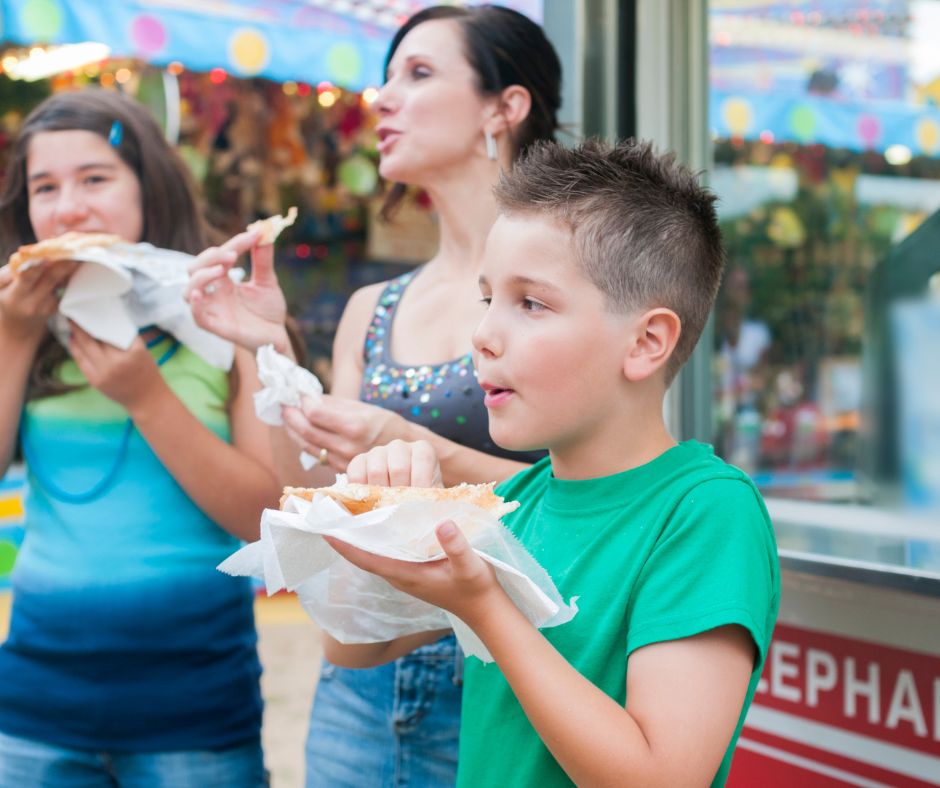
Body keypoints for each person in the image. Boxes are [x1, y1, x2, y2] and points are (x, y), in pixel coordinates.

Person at [323, 139, 781, 787]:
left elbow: (661, 777)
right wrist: (380, 516)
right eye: (487, 299)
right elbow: (351, 645)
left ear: (647, 342)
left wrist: (486, 610)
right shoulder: (518, 501)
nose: (482, 335)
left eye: (531, 303)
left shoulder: (706, 511)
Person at [186, 6, 562, 785]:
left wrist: (423, 450)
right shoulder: (373, 308)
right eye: (386, 76)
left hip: (508, 678)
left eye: (417, 74)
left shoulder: (561, 289)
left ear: (506, 106)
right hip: (357, 682)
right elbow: (319, 494)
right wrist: (273, 350)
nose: (382, 98)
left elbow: (598, 495)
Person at [0, 90, 279, 786]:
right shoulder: (19, 320)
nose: (68, 208)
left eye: (95, 179)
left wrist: (146, 398)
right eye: (45, 187)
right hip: (35, 701)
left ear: (146, 187)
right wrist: (14, 333)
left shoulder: (227, 316)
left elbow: (269, 520)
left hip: (196, 705)